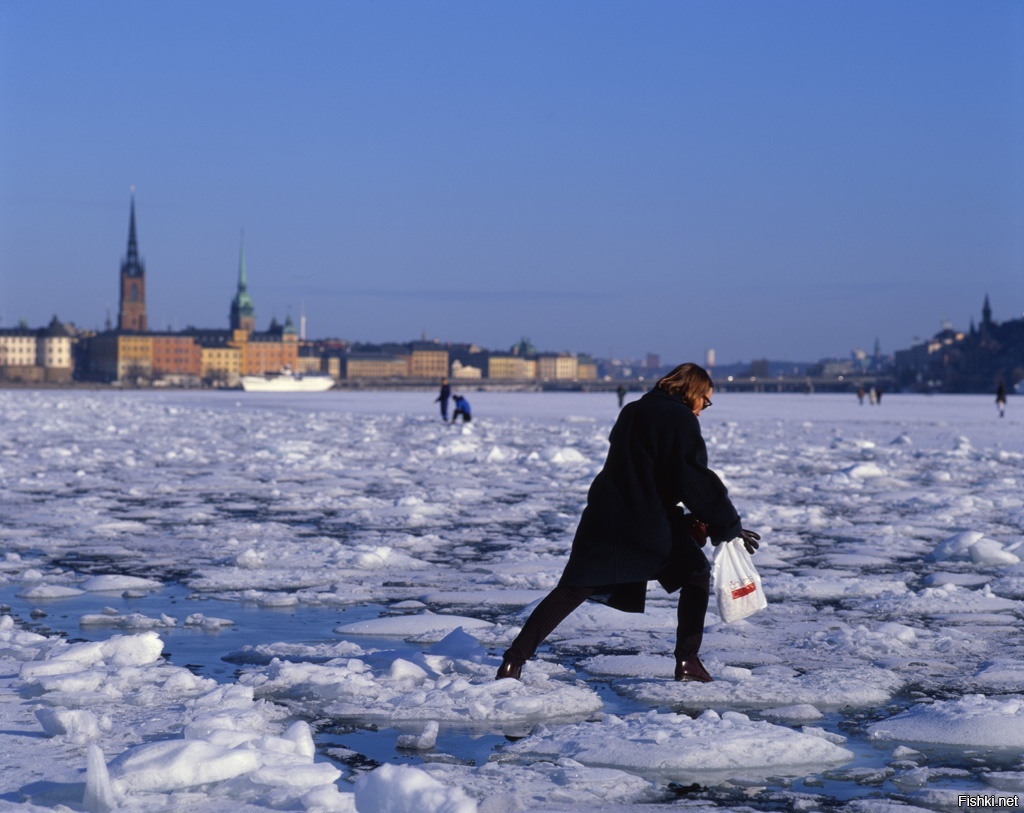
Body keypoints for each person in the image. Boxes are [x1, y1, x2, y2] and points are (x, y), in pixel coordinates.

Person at [496, 362, 759, 684]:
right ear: (693, 391)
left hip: (607, 516)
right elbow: (691, 478)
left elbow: (649, 472)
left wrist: (705, 521)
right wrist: (727, 525)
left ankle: (513, 661)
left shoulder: (634, 410)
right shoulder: (680, 419)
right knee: (696, 575)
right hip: (646, 524)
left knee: (573, 589)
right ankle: (688, 662)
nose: (704, 408)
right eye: (706, 399)